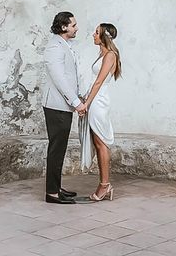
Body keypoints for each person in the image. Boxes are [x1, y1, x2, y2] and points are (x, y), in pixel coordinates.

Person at [42, 11, 88, 204]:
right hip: (57, 106)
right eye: (73, 25)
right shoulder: (54, 47)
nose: (76, 28)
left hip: (63, 105)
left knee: (60, 149)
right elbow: (60, 79)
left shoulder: (64, 45)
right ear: (63, 27)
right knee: (56, 149)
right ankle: (52, 193)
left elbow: (69, 76)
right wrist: (77, 103)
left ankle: (57, 187)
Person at [78, 23, 122, 201]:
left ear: (103, 35)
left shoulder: (110, 55)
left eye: (96, 32)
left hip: (99, 102)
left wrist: (86, 104)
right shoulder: (102, 53)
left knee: (101, 142)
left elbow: (98, 82)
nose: (93, 34)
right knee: (97, 143)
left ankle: (105, 185)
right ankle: (104, 184)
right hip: (94, 99)